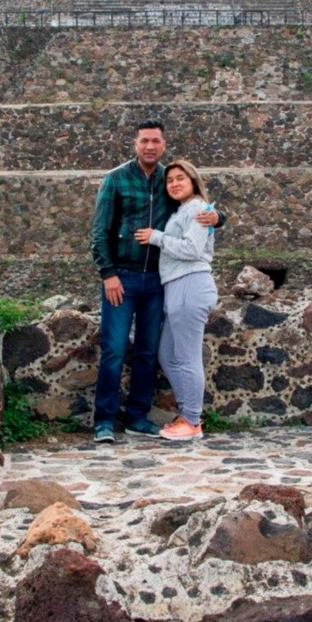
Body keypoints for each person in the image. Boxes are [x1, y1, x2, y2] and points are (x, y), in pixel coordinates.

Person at [89, 122, 219, 444]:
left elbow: (196, 208)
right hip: (123, 278)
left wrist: (219, 217)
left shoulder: (167, 179)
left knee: (148, 352)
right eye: (144, 140)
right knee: (114, 350)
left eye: (156, 141)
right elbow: (99, 232)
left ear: (163, 145)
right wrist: (108, 273)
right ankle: (104, 421)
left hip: (158, 281)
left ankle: (137, 417)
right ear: (136, 143)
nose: (150, 146)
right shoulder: (116, 178)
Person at [134, 160, 217, 442]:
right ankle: (188, 415)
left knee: (187, 356)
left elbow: (193, 249)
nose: (174, 184)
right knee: (167, 355)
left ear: (193, 181)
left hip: (191, 284)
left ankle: (192, 420)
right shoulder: (184, 210)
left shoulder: (197, 208)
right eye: (170, 180)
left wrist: (156, 237)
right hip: (177, 286)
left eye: (181, 178)